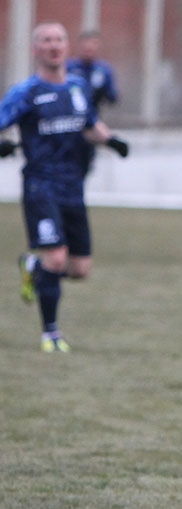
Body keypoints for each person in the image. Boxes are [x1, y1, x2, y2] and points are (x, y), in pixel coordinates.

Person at [0, 21, 130, 352]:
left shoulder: (77, 87)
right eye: (46, 40)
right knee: (56, 259)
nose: (53, 45)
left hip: (73, 186)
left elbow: (89, 125)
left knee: (79, 269)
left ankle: (33, 268)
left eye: (58, 39)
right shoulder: (26, 92)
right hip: (40, 185)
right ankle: (51, 334)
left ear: (66, 47)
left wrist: (111, 140)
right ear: (36, 49)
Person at [66, 29, 119, 175]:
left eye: (93, 45)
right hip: (69, 121)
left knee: (85, 161)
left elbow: (113, 97)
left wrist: (105, 94)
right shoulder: (69, 67)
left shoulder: (103, 70)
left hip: (91, 123)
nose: (88, 49)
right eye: (85, 46)